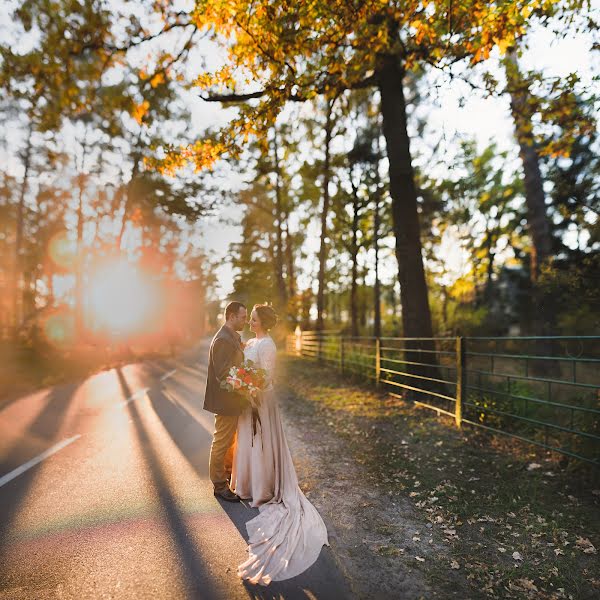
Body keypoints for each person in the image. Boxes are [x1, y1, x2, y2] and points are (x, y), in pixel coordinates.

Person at [231, 303, 329, 586]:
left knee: (261, 441)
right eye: (248, 317)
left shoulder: (268, 345)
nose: (249, 320)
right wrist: (241, 384)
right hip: (248, 397)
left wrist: (250, 388)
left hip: (261, 399)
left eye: (253, 318)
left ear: (263, 322)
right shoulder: (253, 341)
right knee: (249, 441)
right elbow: (247, 365)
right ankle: (248, 483)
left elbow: (268, 376)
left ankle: (263, 485)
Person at [204, 301, 248, 502]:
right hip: (225, 401)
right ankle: (219, 485)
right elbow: (224, 374)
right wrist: (246, 384)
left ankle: (227, 475)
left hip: (232, 400)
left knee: (230, 441)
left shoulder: (232, 337)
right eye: (242, 317)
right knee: (222, 442)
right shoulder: (222, 339)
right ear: (231, 316)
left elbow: (234, 364)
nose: (245, 321)